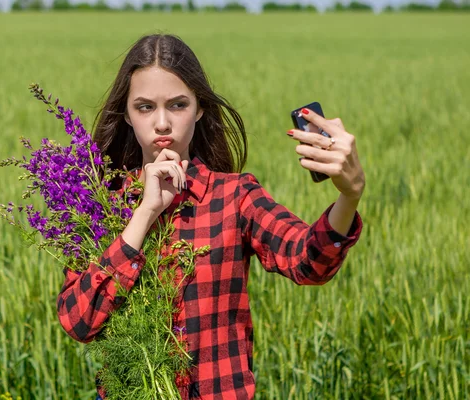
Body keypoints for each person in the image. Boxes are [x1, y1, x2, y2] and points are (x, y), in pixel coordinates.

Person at [56, 33, 365, 400]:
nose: (162, 123)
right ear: (125, 113)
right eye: (144, 107)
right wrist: (144, 214)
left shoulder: (234, 197)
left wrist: (349, 195)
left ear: (199, 108)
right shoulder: (101, 209)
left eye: (177, 105)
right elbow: (78, 321)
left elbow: (308, 262)